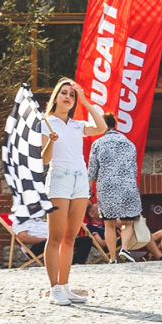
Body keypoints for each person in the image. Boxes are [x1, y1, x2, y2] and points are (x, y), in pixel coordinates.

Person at [41, 78, 107, 305]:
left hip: (80, 179)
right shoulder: (46, 122)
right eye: (64, 93)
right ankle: (54, 289)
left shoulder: (77, 125)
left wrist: (86, 102)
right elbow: (45, 159)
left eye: (72, 94)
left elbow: (102, 127)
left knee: (71, 237)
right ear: (56, 96)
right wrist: (50, 141)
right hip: (59, 179)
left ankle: (65, 286)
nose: (68, 97)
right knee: (56, 237)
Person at [88, 114, 143, 263]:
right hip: (127, 185)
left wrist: (89, 189)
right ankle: (124, 248)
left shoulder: (98, 144)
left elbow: (92, 170)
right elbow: (134, 168)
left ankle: (112, 258)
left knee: (109, 223)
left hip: (107, 186)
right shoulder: (129, 143)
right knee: (128, 222)